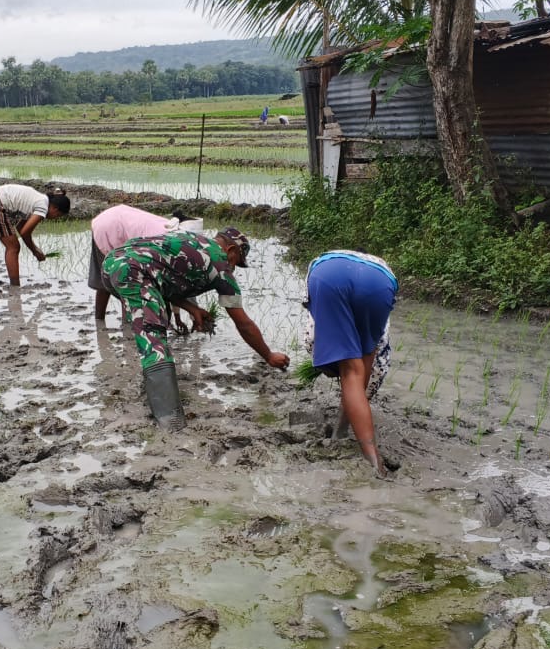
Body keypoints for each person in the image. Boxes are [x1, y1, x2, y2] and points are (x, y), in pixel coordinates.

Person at [101, 228, 290, 429]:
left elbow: (163, 275)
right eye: (236, 261)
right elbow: (242, 323)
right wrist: (268, 355)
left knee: (155, 321)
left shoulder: (193, 240)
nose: (233, 267)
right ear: (231, 250)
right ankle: (170, 419)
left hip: (112, 264)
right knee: (153, 337)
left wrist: (192, 308)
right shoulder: (221, 265)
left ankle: (159, 393)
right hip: (133, 270)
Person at [304, 250, 400, 480]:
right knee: (357, 374)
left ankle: (374, 461)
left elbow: (311, 339)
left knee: (349, 371)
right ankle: (350, 437)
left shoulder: (318, 270)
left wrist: (334, 365)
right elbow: (366, 373)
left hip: (328, 275)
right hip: (381, 283)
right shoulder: (382, 339)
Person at [88, 205, 183, 322]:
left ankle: (111, 323)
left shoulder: (177, 238)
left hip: (117, 220)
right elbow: (175, 288)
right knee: (125, 279)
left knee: (126, 280)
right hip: (109, 227)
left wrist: (178, 318)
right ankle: (109, 323)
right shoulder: (172, 246)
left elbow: (176, 287)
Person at [0, 183, 70, 286]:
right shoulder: (43, 207)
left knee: (13, 247)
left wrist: (34, 250)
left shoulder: (39, 200)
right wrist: (35, 251)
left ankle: (14, 284)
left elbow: (20, 228)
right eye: (58, 215)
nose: (55, 218)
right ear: (55, 208)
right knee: (13, 247)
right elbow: (25, 232)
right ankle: (15, 286)